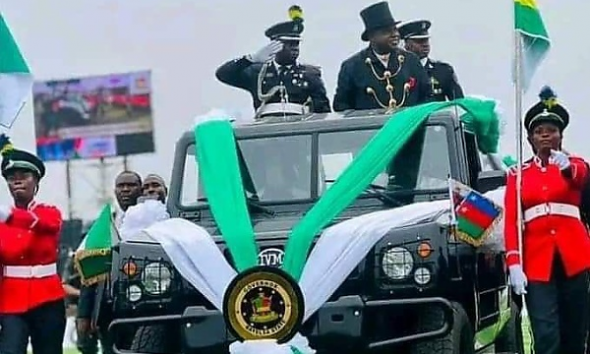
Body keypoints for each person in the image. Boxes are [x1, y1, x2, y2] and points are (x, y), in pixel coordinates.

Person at [504, 86, 590, 354]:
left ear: (560, 135)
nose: (545, 136)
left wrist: (566, 167)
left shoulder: (575, 164)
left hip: (574, 258)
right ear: (530, 138)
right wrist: (514, 263)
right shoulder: (518, 173)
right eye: (539, 132)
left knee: (575, 328)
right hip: (537, 260)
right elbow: (511, 222)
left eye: (551, 131)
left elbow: (580, 177)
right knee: (545, 331)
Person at [0, 135, 66, 354]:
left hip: (48, 299)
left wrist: (8, 215)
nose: (17, 180)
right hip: (10, 300)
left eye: (24, 175)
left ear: (36, 181)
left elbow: (42, 223)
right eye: (11, 177)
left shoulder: (49, 212)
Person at [215, 5, 331, 118]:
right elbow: (223, 74)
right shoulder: (258, 73)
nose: (294, 47)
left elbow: (323, 113)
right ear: (274, 45)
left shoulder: (309, 74)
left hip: (299, 130)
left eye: (296, 44)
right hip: (267, 131)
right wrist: (250, 59)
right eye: (288, 43)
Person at [76, 171, 143, 354]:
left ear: (141, 189)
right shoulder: (105, 225)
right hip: (109, 310)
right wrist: (83, 315)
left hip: (146, 307)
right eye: (121, 186)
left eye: (131, 185)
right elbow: (88, 274)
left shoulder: (154, 220)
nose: (126, 190)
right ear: (115, 191)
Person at [332, 1, 432, 112]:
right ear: (371, 36)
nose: (395, 35)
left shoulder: (411, 61)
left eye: (395, 29)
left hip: (409, 127)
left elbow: (427, 97)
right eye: (387, 31)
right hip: (371, 128)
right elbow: (341, 107)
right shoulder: (352, 67)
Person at [397, 19, 464, 101]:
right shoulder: (399, 70)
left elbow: (459, 102)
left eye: (426, 40)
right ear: (405, 44)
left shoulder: (443, 70)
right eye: (419, 41)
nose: (425, 44)